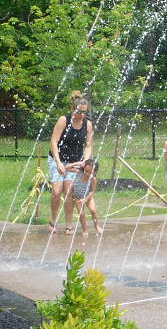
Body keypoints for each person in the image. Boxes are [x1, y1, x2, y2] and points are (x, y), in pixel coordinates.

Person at [48, 91, 94, 235]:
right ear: (73, 109)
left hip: (75, 162)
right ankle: (53, 220)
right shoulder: (64, 120)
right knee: (56, 191)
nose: (82, 115)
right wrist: (58, 162)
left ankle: (68, 225)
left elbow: (88, 145)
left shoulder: (87, 125)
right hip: (58, 159)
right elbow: (54, 142)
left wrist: (84, 161)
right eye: (79, 112)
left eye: (84, 113)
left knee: (69, 192)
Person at [71, 159, 103, 236]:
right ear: (84, 168)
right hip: (77, 198)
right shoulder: (79, 172)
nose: (87, 174)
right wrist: (77, 163)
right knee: (81, 214)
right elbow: (66, 168)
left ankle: (97, 226)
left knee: (93, 211)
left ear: (94, 172)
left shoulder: (93, 179)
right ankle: (85, 230)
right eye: (86, 171)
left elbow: (92, 191)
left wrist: (85, 199)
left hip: (88, 198)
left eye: (90, 172)